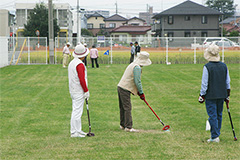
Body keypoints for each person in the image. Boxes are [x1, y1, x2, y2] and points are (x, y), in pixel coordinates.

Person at [198, 44, 230, 143]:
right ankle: (216, 134)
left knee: (213, 115)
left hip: (211, 95)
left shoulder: (207, 67)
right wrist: (227, 94)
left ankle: (215, 136)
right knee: (218, 114)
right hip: (222, 94)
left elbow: (204, 83)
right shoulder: (224, 66)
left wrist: (202, 95)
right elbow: (227, 82)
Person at [117, 51, 152, 132]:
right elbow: (137, 82)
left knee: (123, 107)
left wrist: (139, 93)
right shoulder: (137, 68)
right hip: (125, 88)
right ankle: (128, 127)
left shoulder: (133, 64)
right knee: (127, 107)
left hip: (120, 86)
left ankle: (123, 125)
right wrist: (141, 93)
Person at [68, 43, 90, 138]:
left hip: (73, 89)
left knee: (76, 110)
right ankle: (74, 132)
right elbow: (82, 79)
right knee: (77, 111)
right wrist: (86, 91)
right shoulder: (80, 65)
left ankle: (78, 130)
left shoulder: (72, 63)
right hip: (78, 90)